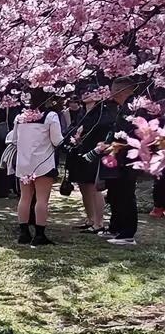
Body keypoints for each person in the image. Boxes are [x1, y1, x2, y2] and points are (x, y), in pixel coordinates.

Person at [7, 89, 63, 246]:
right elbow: (57, 140)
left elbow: (14, 139)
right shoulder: (50, 116)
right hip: (43, 162)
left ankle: (23, 233)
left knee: (25, 198)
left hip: (24, 162)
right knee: (42, 199)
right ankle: (39, 234)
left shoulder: (20, 117)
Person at [99, 77, 142, 246]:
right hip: (117, 157)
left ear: (122, 90)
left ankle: (127, 233)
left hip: (128, 158)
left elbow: (132, 134)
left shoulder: (135, 108)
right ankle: (115, 227)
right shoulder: (122, 108)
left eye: (113, 89)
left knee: (125, 194)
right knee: (115, 193)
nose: (111, 92)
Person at [66, 87, 114, 233]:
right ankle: (90, 218)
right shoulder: (81, 112)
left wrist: (83, 132)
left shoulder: (102, 113)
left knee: (94, 187)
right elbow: (73, 128)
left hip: (94, 153)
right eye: (84, 91)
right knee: (83, 186)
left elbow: (104, 129)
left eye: (91, 91)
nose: (86, 94)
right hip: (79, 153)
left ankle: (99, 222)